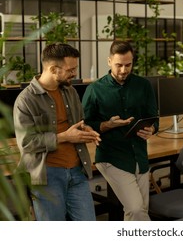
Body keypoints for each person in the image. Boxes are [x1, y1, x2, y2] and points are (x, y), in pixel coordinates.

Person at [13, 43, 101, 221]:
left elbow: (78, 123)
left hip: (77, 169)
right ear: (53, 69)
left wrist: (86, 130)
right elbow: (26, 143)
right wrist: (65, 137)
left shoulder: (70, 91)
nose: (74, 73)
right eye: (70, 70)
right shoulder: (26, 100)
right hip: (47, 176)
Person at [82, 40, 159, 221]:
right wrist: (106, 125)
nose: (123, 70)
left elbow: (153, 117)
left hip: (139, 156)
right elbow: (83, 124)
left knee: (140, 210)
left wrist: (152, 129)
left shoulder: (144, 85)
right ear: (109, 61)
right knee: (136, 209)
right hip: (112, 157)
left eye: (128, 65)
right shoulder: (95, 89)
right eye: (119, 65)